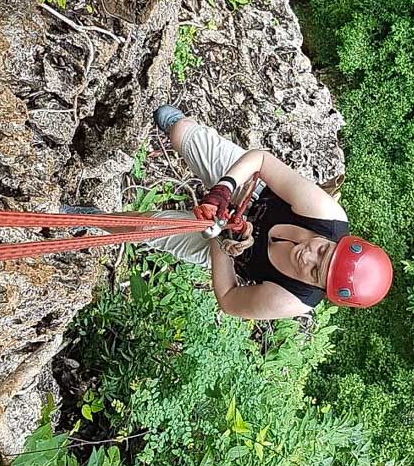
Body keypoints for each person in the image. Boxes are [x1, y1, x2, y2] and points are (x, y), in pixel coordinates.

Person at [141, 106, 393, 320]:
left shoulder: (290, 299)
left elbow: (228, 300)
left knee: (141, 229)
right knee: (180, 132)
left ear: (320, 288)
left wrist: (221, 241)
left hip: (226, 252)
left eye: (315, 271)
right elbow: (261, 160)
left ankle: (101, 221)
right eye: (323, 250)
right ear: (334, 240)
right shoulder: (324, 213)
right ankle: (180, 126)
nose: (307, 257)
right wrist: (224, 189)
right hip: (251, 190)